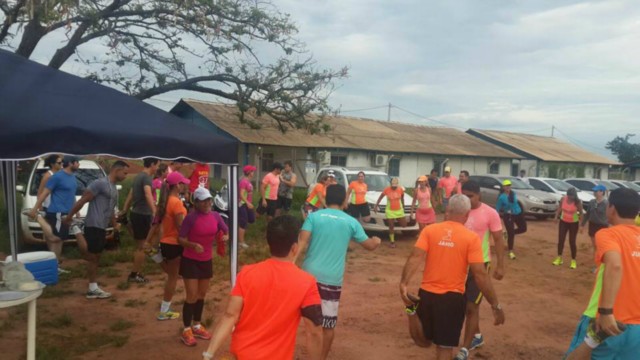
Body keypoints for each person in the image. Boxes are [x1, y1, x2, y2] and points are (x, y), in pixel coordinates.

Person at [399, 194, 505, 360]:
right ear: (467, 214)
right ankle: (411, 311)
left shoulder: (429, 230)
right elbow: (480, 274)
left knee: (424, 342)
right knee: (444, 349)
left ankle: (411, 310)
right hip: (452, 298)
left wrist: (403, 283)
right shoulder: (471, 238)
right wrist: (495, 305)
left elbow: (415, 257)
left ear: (448, 211)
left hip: (426, 293)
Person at [202, 215, 323, 360]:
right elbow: (314, 331)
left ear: (268, 244)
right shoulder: (307, 282)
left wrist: (208, 354)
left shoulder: (246, 273)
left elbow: (230, 316)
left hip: (242, 355)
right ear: (294, 248)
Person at [297, 184, 381, 359]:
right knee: (327, 325)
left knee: (303, 322)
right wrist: (377, 240)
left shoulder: (314, 217)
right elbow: (370, 246)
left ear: (326, 199)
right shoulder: (351, 222)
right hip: (331, 280)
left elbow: (300, 244)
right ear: (344, 200)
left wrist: (290, 266)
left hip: (306, 278)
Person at [564, 188, 640, 360]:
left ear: (611, 209)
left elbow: (614, 265)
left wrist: (606, 312)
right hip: (637, 327)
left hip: (605, 322)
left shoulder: (608, 234)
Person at [63, 161, 129, 299]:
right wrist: (69, 217)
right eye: (125, 173)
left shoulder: (113, 188)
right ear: (117, 170)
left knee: (96, 256)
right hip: (94, 223)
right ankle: (92, 288)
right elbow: (83, 200)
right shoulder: (100, 183)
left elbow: (111, 209)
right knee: (91, 256)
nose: (126, 176)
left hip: (102, 226)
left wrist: (115, 225)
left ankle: (93, 286)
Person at [456, 181, 506, 360]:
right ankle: (476, 336)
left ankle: (464, 349)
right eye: (465, 196)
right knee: (460, 304)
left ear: (479, 196)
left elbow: (499, 239)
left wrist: (500, 265)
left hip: (480, 264)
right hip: (459, 263)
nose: (467, 200)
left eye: (471, 196)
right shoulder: (459, 211)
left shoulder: (490, 213)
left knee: (472, 306)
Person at [178, 187, 228, 346]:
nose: (207, 203)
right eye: (203, 201)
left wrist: (225, 236)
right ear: (196, 202)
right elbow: (180, 239)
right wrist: (192, 245)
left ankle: (197, 325)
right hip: (190, 260)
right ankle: (186, 329)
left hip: (206, 260)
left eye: (209, 200)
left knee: (201, 294)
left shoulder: (215, 216)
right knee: (191, 295)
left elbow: (225, 230)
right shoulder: (191, 218)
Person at [29, 155, 81, 273]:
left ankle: (55, 266)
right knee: (56, 238)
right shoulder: (56, 177)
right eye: (77, 162)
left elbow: (71, 195)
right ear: (70, 163)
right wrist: (35, 208)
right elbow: (44, 193)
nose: (79, 165)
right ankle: (39, 218)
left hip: (67, 212)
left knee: (60, 239)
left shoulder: (72, 177)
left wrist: (76, 210)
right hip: (57, 211)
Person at [155, 171, 190, 320]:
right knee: (173, 276)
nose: (184, 186)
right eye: (182, 183)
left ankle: (154, 256)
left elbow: (156, 223)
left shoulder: (165, 201)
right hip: (175, 243)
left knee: (172, 274)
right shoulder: (176, 202)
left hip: (166, 242)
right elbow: (180, 226)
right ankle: (164, 309)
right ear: (177, 185)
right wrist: (190, 241)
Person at [121, 157, 159, 283]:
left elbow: (131, 194)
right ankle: (134, 274)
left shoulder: (138, 177)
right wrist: (154, 211)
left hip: (136, 213)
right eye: (157, 165)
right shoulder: (147, 178)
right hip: (143, 214)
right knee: (142, 246)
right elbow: (148, 194)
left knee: (144, 244)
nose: (158, 168)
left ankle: (151, 263)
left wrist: (125, 209)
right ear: (152, 164)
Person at [30, 154, 63, 244]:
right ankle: (53, 253)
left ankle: (55, 253)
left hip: (59, 207)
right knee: (52, 232)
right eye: (59, 163)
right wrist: (39, 206)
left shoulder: (61, 174)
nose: (62, 164)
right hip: (49, 207)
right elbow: (40, 192)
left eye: (62, 162)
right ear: (52, 164)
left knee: (58, 232)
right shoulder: (48, 176)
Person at [495, 179, 526, 260]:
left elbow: (516, 203)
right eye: (506, 186)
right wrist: (496, 217)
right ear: (503, 187)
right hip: (508, 216)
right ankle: (510, 251)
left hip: (518, 213)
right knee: (511, 234)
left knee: (523, 228)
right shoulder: (501, 197)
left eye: (509, 185)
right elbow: (497, 208)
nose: (508, 187)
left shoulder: (513, 193)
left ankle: (508, 233)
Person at [580, 185, 609, 272]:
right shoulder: (592, 202)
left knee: (602, 246)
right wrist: (582, 225)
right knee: (595, 246)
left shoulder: (606, 203)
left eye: (596, 191)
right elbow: (587, 214)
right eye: (594, 191)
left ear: (601, 192)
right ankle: (596, 265)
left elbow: (609, 216)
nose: (594, 192)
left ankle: (603, 264)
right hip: (593, 225)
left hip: (602, 226)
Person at [553, 187, 584, 269]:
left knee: (572, 241)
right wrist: (556, 217)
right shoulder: (563, 199)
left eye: (572, 196)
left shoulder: (578, 202)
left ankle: (573, 260)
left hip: (573, 223)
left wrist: (581, 225)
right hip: (563, 221)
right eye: (569, 196)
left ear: (575, 196)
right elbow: (560, 208)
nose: (570, 198)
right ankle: (559, 257)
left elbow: (581, 213)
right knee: (561, 240)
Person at [375, 177, 407, 248]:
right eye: (393, 186)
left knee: (404, 225)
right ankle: (392, 241)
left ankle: (395, 220)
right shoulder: (387, 189)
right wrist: (376, 205)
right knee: (391, 226)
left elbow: (402, 198)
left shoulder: (400, 189)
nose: (394, 187)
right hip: (390, 210)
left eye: (395, 186)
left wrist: (403, 207)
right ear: (390, 184)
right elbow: (380, 197)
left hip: (399, 210)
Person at [238, 165, 257, 249]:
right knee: (244, 222)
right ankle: (241, 242)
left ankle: (241, 229)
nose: (254, 173)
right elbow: (241, 194)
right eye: (252, 171)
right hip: (242, 204)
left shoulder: (248, 181)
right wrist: (248, 203)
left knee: (252, 219)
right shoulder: (244, 182)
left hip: (247, 204)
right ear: (249, 172)